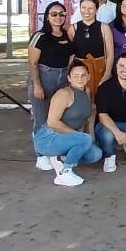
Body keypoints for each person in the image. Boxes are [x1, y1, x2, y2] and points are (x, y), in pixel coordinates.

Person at [33, 59, 103, 187]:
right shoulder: (64, 94)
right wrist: (79, 136)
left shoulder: (87, 91)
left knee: (95, 154)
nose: (80, 78)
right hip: (49, 138)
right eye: (75, 76)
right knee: (85, 139)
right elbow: (52, 122)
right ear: (69, 78)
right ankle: (64, 171)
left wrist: (88, 138)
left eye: (83, 75)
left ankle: (61, 158)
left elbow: (88, 117)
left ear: (88, 77)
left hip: (69, 138)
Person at [27, 0, 74, 170]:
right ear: (47, 16)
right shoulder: (40, 36)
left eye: (61, 14)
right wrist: (37, 85)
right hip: (44, 77)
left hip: (62, 79)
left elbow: (70, 58)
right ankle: (41, 155)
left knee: (57, 117)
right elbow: (32, 63)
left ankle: (56, 150)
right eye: (54, 14)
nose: (58, 17)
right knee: (41, 118)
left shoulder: (67, 36)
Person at [68, 0, 113, 96]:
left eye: (90, 8)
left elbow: (110, 53)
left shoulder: (104, 28)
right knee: (81, 97)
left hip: (99, 69)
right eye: (83, 8)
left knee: (100, 98)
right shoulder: (73, 28)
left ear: (96, 10)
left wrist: (107, 74)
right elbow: (70, 54)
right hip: (80, 72)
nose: (86, 11)